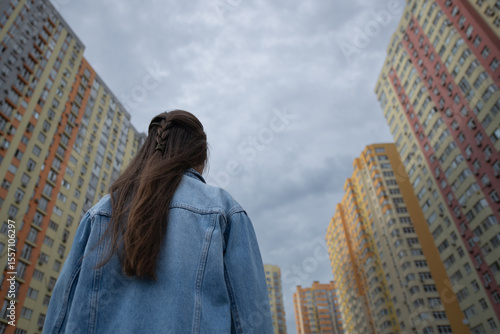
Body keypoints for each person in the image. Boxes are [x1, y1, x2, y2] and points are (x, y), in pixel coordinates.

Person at [44, 110, 273, 333]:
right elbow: (251, 320)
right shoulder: (225, 212)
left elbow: (59, 315)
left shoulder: (100, 214)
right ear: (200, 158)